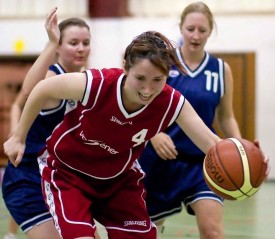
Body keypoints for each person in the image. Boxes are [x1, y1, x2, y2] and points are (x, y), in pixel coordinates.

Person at [3, 30, 268, 239]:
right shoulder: (97, 84)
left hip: (118, 181)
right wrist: (19, 136)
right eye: (140, 78)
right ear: (126, 69)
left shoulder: (171, 102)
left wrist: (246, 164)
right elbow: (42, 89)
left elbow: (212, 144)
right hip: (70, 175)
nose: (147, 89)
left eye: (157, 80)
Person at [137, 2, 257, 239]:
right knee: (148, 231)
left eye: (202, 30)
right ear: (181, 28)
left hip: (204, 162)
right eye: (190, 28)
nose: (196, 35)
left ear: (210, 31)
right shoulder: (162, 63)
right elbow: (141, 103)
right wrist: (154, 134)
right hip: (160, 160)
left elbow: (226, 116)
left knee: (212, 230)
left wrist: (242, 148)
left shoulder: (221, 70)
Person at [2, 7, 94, 239]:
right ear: (60, 47)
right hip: (29, 179)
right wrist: (50, 43)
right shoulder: (53, 77)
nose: (81, 48)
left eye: (85, 42)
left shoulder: (90, 81)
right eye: (73, 42)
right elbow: (29, 91)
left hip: (62, 181)